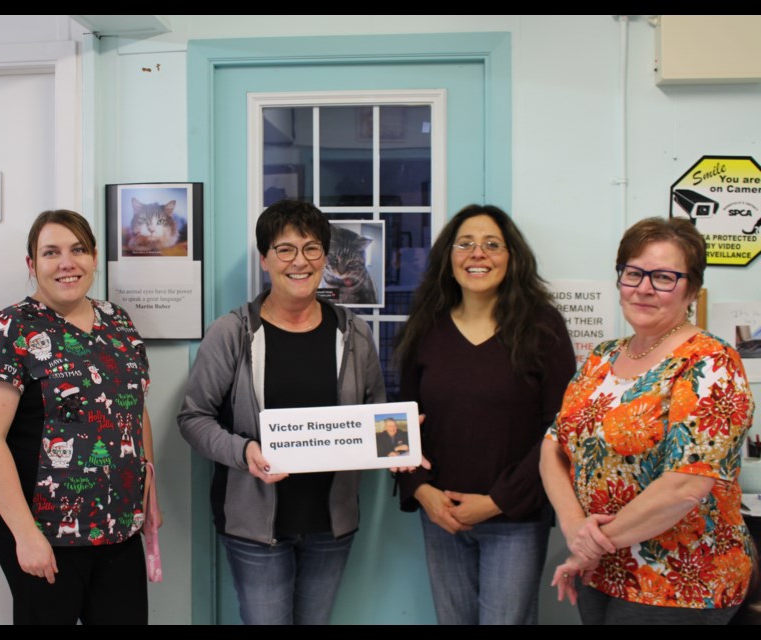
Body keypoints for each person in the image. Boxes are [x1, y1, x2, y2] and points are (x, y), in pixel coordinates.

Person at [178, 199, 385, 625]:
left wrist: (400, 441)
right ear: (265, 260)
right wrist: (244, 451)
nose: (299, 261)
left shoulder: (353, 332)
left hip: (331, 522)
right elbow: (194, 418)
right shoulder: (232, 331)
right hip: (255, 526)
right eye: (285, 249)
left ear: (324, 259)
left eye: (311, 249)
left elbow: (375, 412)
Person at [541, 216, 755, 624]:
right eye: (633, 273)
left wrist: (590, 546)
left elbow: (686, 485)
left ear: (692, 289)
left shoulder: (709, 361)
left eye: (663, 277)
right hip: (602, 572)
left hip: (680, 583)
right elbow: (553, 446)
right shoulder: (603, 357)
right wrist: (573, 530)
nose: (643, 288)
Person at [0, 210, 156, 625]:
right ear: (32, 265)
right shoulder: (8, 329)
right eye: (51, 252)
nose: (67, 263)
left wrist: (147, 480)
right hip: (46, 532)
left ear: (93, 257)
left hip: (120, 527)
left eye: (78, 250)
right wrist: (25, 535)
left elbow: (134, 408)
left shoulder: (118, 323)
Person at [395, 204, 576, 625]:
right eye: (466, 244)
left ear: (512, 258)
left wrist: (497, 501)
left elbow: (561, 427)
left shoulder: (543, 327)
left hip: (514, 513)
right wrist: (421, 490)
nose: (478, 254)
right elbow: (397, 422)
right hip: (440, 514)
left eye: (492, 245)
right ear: (448, 258)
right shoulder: (425, 327)